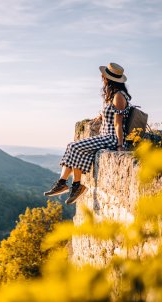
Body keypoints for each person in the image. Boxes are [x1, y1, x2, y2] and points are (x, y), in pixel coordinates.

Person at [44, 62, 132, 204]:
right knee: (77, 150)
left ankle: (70, 185)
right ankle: (68, 184)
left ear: (108, 79)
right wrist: (101, 116)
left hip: (112, 138)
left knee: (73, 146)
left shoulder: (118, 97)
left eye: (103, 76)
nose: (102, 78)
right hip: (105, 136)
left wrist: (120, 145)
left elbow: (118, 123)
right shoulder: (114, 95)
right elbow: (111, 115)